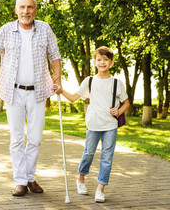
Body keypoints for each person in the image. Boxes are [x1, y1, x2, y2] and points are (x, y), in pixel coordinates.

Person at [0, 0, 62, 196]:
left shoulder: (45, 29)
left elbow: (55, 56)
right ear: (16, 9)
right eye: (22, 7)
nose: (26, 11)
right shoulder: (5, 31)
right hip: (13, 92)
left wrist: (58, 82)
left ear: (35, 10)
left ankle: (29, 177)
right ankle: (22, 181)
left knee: (35, 138)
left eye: (29, 7)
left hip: (38, 92)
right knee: (17, 139)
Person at [53, 46, 130, 203]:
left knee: (107, 157)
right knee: (88, 153)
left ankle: (100, 189)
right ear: (94, 62)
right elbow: (74, 97)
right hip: (93, 124)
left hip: (110, 125)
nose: (102, 62)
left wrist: (119, 111)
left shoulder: (117, 83)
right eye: (99, 60)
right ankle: (80, 179)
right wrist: (61, 91)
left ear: (112, 62)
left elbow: (126, 103)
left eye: (106, 60)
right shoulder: (90, 81)